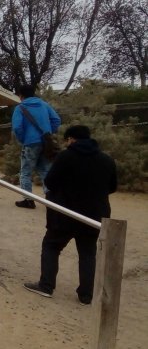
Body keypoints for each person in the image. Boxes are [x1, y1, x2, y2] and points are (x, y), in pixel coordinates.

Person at [23, 125, 117, 306]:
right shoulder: (107, 160)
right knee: (88, 253)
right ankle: (86, 295)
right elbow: (112, 187)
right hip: (94, 215)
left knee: (51, 246)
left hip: (64, 213)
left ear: (71, 139)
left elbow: (50, 181)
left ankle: (46, 285)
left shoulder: (65, 156)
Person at [11, 84, 61, 209]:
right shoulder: (44, 104)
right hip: (45, 142)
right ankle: (51, 200)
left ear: (21, 95)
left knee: (25, 173)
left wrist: (23, 139)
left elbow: (17, 127)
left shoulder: (20, 108)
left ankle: (28, 200)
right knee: (45, 171)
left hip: (30, 143)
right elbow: (56, 120)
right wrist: (48, 132)